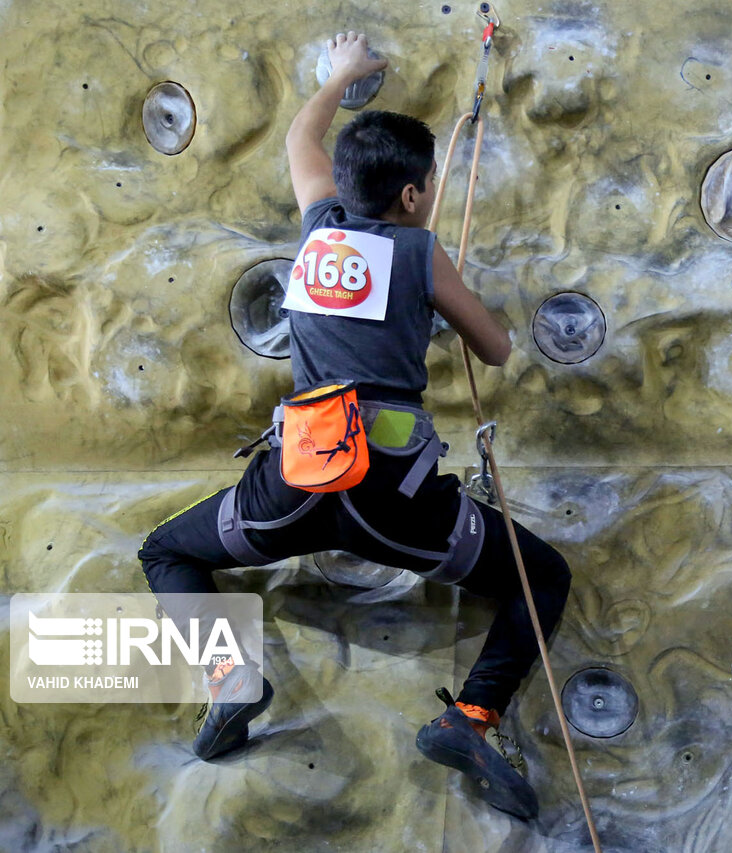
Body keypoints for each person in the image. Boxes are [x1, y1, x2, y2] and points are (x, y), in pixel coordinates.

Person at [137, 32, 570, 820]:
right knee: (543, 576)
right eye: (430, 185)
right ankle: (471, 716)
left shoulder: (317, 229)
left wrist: (341, 74)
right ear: (410, 196)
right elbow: (498, 349)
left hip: (295, 482)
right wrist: (436, 294)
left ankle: (232, 680)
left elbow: (303, 138)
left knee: (164, 550)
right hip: (393, 501)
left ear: (343, 185)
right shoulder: (419, 251)